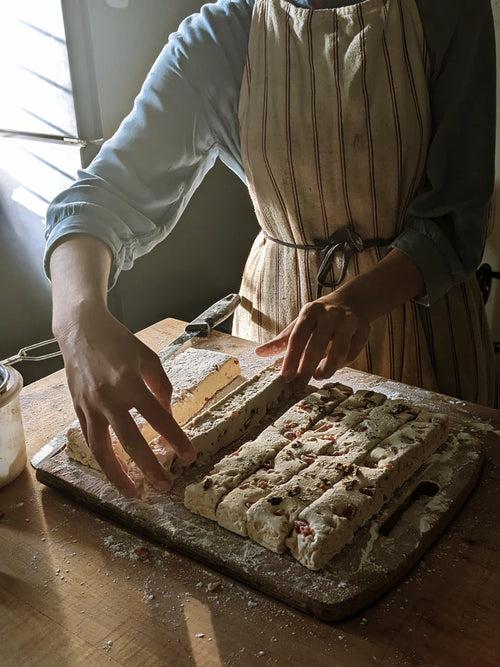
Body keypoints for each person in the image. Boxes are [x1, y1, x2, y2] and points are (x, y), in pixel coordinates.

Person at [45, 0, 498, 496]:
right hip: (280, 328)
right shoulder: (221, 37)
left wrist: (354, 302)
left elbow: (455, 219)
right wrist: (77, 316)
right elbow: (101, 196)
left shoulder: (448, 12)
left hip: (420, 313)